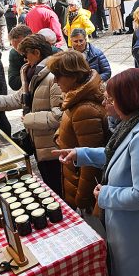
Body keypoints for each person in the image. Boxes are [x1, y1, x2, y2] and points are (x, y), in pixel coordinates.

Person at [53, 68, 139, 276]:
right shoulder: (138, 121)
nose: (105, 104)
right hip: (137, 229)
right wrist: (81, 153)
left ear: (130, 100)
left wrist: (105, 195)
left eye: (110, 99)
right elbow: (117, 154)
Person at [0, 34, 63, 194]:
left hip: (52, 147)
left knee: (57, 187)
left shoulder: (53, 78)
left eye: (26, 55)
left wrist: (29, 119)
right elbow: (17, 98)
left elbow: (58, 116)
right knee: (50, 184)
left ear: (37, 53)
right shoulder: (32, 73)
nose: (24, 60)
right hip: (39, 144)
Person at [47, 51, 109, 213]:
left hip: (86, 193)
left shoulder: (84, 109)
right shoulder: (76, 98)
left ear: (73, 76)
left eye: (58, 75)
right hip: (75, 181)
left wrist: (81, 199)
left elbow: (91, 163)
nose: (54, 80)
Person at [7, 24, 32, 91]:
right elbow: (13, 83)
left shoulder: (49, 52)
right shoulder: (14, 54)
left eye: (23, 47)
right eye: (16, 49)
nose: (21, 53)